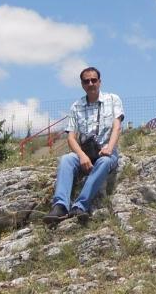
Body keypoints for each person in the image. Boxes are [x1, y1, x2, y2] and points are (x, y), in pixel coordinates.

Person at [44, 66, 124, 226]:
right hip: (85, 152)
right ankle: (60, 206)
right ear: (82, 84)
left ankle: (80, 206)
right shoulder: (76, 106)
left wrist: (109, 147)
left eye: (94, 80)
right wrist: (81, 155)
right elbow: (71, 137)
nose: (90, 83)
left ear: (100, 82)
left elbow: (117, 126)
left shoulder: (113, 99)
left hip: (105, 151)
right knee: (66, 159)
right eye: (86, 81)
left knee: (105, 162)